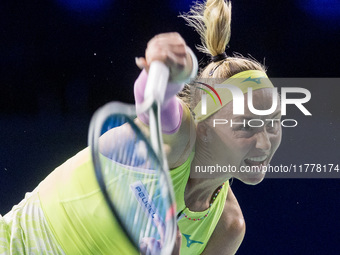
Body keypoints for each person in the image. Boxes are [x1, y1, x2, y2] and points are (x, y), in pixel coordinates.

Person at [0, 0, 281, 254]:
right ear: (204, 126)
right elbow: (153, 102)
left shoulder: (228, 228)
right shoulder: (178, 135)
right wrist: (161, 69)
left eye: (274, 124)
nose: (265, 143)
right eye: (246, 125)